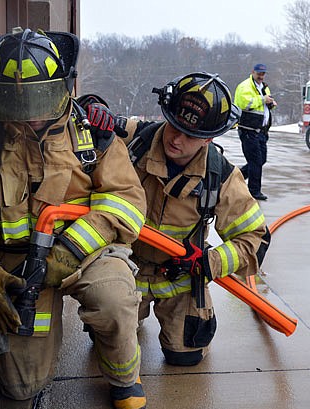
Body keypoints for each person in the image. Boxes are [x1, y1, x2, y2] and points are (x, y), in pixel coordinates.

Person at [0, 28, 148, 409]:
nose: (31, 111)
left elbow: (126, 202)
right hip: (16, 265)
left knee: (114, 301)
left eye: (40, 96)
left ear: (62, 87)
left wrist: (71, 249)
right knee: (21, 388)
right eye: (17, 99)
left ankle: (125, 377)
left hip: (87, 252)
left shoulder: (93, 133)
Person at [100, 72, 269, 367]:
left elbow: (256, 239)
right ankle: (126, 315)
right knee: (107, 332)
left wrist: (210, 263)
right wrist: (93, 109)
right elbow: (90, 124)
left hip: (179, 278)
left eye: (190, 135)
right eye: (174, 126)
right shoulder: (136, 139)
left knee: (185, 356)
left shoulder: (222, 177)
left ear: (209, 138)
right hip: (127, 268)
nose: (176, 139)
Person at [234, 63, 277, 200]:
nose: (261, 76)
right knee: (255, 161)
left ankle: (237, 176)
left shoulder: (264, 87)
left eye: (263, 74)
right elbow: (244, 104)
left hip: (261, 131)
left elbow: (264, 106)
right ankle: (254, 191)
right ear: (253, 72)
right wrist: (262, 99)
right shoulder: (244, 86)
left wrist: (270, 104)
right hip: (248, 130)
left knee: (261, 160)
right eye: (259, 73)